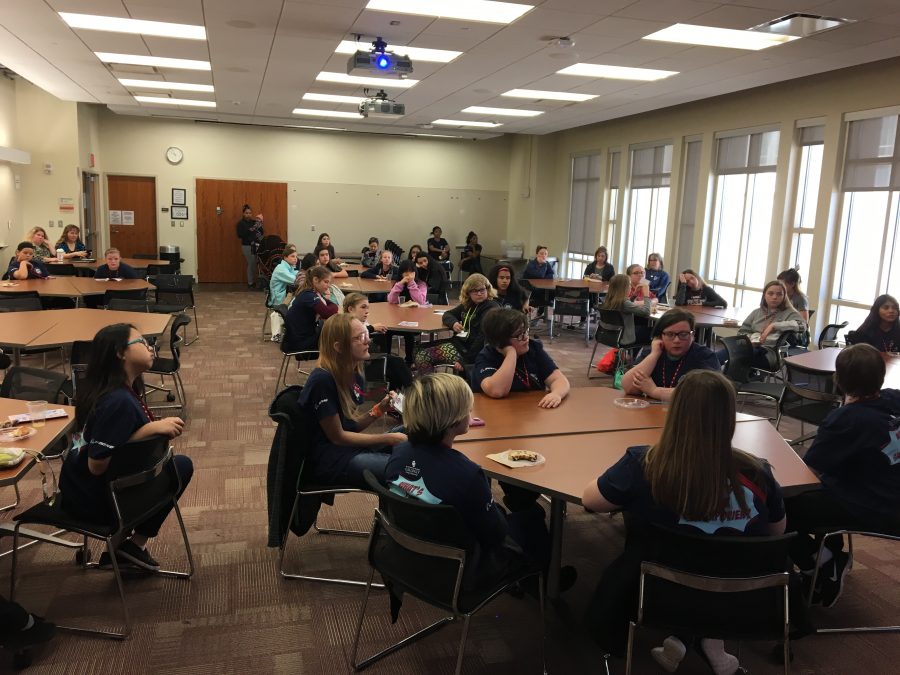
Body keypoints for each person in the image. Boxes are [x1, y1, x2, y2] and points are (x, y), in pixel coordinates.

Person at [582, 370, 786, 671]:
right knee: (708, 559)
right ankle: (703, 638)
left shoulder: (644, 465)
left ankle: (688, 635)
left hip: (657, 594)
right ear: (729, 416)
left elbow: (591, 500)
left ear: (675, 413)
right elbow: (777, 531)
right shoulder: (758, 472)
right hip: (739, 595)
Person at [384, 373, 575, 590]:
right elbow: (495, 533)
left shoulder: (398, 453)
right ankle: (541, 582)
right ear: (454, 419)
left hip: (409, 555)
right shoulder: (466, 474)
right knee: (532, 516)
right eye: (467, 408)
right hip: (460, 570)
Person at [58, 324, 192, 571]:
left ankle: (126, 550)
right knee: (180, 468)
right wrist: (149, 431)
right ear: (120, 352)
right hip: (92, 501)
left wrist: (143, 433)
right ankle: (130, 547)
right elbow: (97, 466)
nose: (150, 348)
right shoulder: (117, 402)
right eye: (141, 343)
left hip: (90, 488)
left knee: (177, 466)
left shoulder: (119, 391)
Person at [786, 344, 900, 608]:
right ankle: (832, 552)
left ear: (837, 380)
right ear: (880, 378)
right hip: (890, 498)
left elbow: (805, 475)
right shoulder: (894, 400)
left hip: (872, 507)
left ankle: (822, 562)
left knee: (778, 510)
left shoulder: (845, 420)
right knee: (822, 492)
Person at [298, 313, 406, 487]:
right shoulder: (322, 380)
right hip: (330, 459)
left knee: (414, 430)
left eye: (367, 334)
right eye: (360, 337)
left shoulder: (354, 374)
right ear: (339, 347)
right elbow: (338, 437)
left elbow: (350, 426)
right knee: (404, 466)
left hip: (346, 449)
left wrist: (379, 409)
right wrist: (388, 438)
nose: (368, 341)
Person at [474, 308, 570, 407]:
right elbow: (497, 391)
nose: (525, 338)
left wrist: (556, 394)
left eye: (525, 331)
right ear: (500, 341)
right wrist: (511, 353)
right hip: (497, 412)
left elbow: (558, 379)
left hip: (531, 411)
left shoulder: (534, 348)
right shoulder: (486, 356)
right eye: (518, 335)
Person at [620, 309, 720, 402]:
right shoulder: (653, 352)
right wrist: (654, 355)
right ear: (660, 336)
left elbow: (707, 394)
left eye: (683, 334)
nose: (677, 340)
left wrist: (655, 391)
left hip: (689, 416)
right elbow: (628, 387)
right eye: (670, 334)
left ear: (693, 336)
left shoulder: (704, 356)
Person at [415, 273, 499, 375]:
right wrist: (454, 323)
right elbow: (448, 314)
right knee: (417, 348)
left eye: (482, 289)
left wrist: (466, 362)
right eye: (475, 291)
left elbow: (481, 340)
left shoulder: (491, 308)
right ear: (468, 293)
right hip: (459, 344)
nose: (479, 293)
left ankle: (432, 388)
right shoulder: (469, 304)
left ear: (488, 289)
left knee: (422, 356)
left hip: (469, 353)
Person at [721, 280, 804, 369]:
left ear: (784, 296)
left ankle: (723, 378)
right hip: (750, 348)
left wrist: (774, 326)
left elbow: (802, 326)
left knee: (734, 357)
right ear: (764, 295)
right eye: (770, 294)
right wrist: (751, 339)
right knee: (727, 352)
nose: (775, 297)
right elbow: (742, 332)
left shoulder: (789, 313)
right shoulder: (757, 312)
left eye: (779, 294)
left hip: (770, 353)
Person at [343, 293, 413, 391]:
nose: (367, 311)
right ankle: (413, 393)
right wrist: (372, 328)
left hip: (371, 358)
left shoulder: (360, 322)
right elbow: (356, 335)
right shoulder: (347, 324)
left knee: (395, 370)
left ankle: (396, 396)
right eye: (363, 307)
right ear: (350, 309)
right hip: (362, 364)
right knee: (398, 364)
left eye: (368, 308)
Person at [284, 266, 338, 354]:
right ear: (316, 280)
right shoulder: (308, 296)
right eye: (326, 282)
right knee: (339, 341)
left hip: (302, 336)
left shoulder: (312, 292)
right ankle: (332, 367)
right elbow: (327, 313)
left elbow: (331, 305)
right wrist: (333, 307)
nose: (328, 286)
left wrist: (333, 307)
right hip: (301, 342)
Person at [599, 273, 652, 345]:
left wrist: (634, 295)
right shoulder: (624, 303)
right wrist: (646, 295)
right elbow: (646, 312)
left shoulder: (607, 299)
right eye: (629, 285)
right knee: (654, 331)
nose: (630, 287)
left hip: (608, 335)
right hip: (624, 338)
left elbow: (627, 306)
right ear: (624, 288)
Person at [268, 245, 301, 342]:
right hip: (278, 299)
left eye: (296, 256)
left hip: (284, 295)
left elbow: (297, 274)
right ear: (285, 257)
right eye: (292, 256)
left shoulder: (289, 267)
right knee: (300, 303)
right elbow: (296, 280)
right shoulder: (281, 269)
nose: (295, 259)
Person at [236, 204, 262, 288]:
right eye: (246, 213)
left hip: (256, 245)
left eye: (250, 213)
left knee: (254, 263)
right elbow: (240, 235)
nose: (248, 214)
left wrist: (258, 225)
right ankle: (250, 283)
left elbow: (261, 231)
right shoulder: (240, 223)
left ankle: (255, 281)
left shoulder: (254, 222)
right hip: (247, 246)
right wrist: (250, 230)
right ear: (243, 214)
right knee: (251, 263)